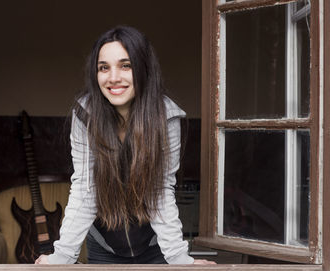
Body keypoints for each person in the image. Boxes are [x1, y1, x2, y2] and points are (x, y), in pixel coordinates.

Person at [35, 26, 215, 265]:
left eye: (126, 65)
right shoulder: (85, 113)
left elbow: (160, 193)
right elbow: (85, 190)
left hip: (154, 247)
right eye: (104, 67)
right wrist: (62, 258)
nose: (113, 78)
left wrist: (180, 260)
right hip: (103, 246)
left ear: (143, 69)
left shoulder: (166, 116)